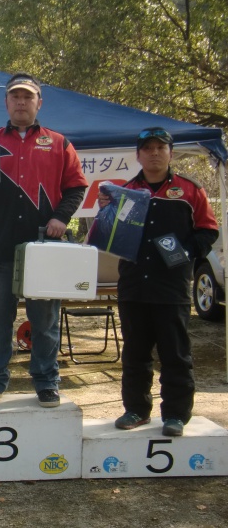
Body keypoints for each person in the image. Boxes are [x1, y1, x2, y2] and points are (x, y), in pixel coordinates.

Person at [0, 73, 88, 408]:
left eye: (27, 97)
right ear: (6, 102)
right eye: (15, 97)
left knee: (44, 325)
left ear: (38, 103)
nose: (21, 102)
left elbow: (76, 186)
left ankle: (47, 382)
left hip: (43, 249)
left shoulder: (59, 142)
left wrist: (61, 217)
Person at [108, 127, 218, 436]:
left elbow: (208, 230)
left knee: (175, 355)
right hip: (133, 287)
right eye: (148, 148)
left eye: (161, 147)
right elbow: (112, 235)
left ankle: (175, 415)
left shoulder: (189, 190)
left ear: (170, 152)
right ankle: (136, 410)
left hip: (171, 288)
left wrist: (185, 253)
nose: (154, 153)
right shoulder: (126, 192)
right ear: (138, 154)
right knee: (134, 355)